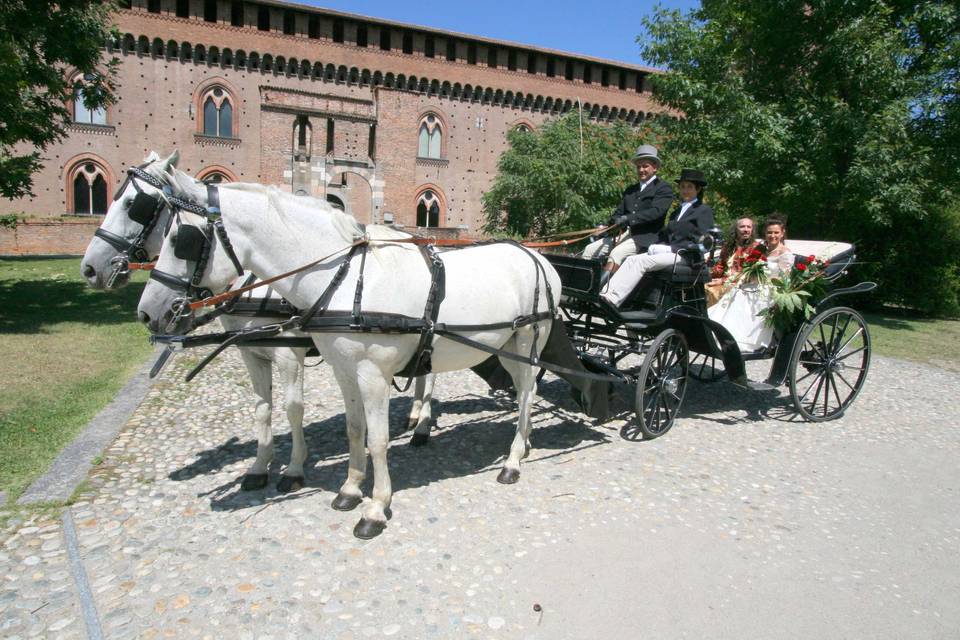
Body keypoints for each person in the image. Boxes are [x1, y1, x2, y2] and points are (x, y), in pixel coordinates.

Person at [600, 168, 715, 308]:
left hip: (687, 257)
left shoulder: (703, 211)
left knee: (642, 262)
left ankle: (613, 299)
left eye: (689, 187)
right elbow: (667, 235)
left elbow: (704, 241)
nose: (685, 190)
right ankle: (604, 295)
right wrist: (656, 245)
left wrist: (671, 249)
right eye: (682, 187)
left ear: (698, 189)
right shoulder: (677, 212)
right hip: (673, 254)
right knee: (631, 259)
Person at [581, 144, 674, 280]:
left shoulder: (663, 188)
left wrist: (628, 219)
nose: (641, 170)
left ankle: (604, 293)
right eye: (638, 167)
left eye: (645, 166)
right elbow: (619, 212)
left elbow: (656, 212)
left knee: (616, 254)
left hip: (645, 237)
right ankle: (583, 286)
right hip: (623, 234)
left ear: (655, 168)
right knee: (589, 249)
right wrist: (610, 225)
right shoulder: (631, 190)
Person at [707, 215, 794, 352]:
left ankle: (741, 338)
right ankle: (719, 332)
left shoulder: (785, 253)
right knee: (738, 293)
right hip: (755, 284)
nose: (772, 235)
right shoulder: (763, 249)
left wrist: (762, 281)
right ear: (765, 234)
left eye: (776, 232)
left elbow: (784, 279)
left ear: (782, 233)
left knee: (747, 297)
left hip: (771, 289)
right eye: (769, 232)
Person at [705, 216, 759, 306]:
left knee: (713, 291)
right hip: (724, 281)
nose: (746, 229)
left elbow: (745, 273)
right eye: (742, 227)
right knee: (701, 287)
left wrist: (722, 281)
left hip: (741, 284)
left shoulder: (757, 248)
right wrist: (710, 271)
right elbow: (721, 266)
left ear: (752, 230)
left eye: (748, 227)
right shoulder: (728, 246)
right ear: (736, 229)